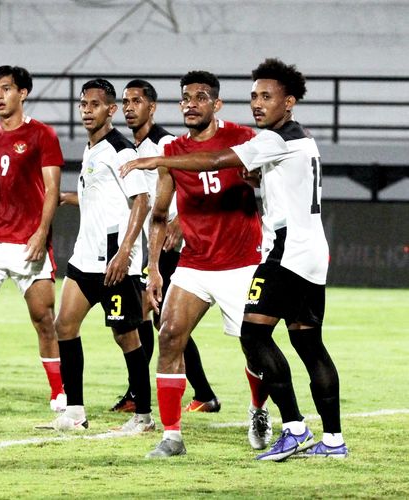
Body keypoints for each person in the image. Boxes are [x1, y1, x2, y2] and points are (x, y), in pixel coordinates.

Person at [124, 59, 347, 461]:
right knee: (303, 342)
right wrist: (155, 263)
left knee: (254, 336)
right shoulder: (298, 138)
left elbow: (214, 161)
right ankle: (332, 440)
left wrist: (152, 160)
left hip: (273, 254)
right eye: (255, 96)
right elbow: (261, 175)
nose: (258, 104)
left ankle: (289, 424)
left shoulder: (261, 139)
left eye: (267, 96)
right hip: (295, 252)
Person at [121, 71, 271, 458]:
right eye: (185, 97)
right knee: (170, 334)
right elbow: (158, 213)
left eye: (201, 97)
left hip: (241, 263)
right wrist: (153, 267)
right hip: (194, 264)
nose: (191, 103)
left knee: (255, 350)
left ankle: (258, 408)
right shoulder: (172, 152)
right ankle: (172, 436)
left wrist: (257, 181)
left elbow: (262, 181)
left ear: (216, 105)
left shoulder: (242, 138)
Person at [40, 78, 152, 433]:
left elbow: (141, 201)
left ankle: (144, 417)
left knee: (125, 336)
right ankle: (75, 412)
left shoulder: (121, 149)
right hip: (85, 258)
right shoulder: (93, 148)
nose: (87, 111)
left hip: (114, 261)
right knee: (64, 326)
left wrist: (124, 252)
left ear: (111, 109)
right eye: (83, 105)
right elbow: (101, 198)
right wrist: (69, 198)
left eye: (95, 105)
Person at [0, 65, 65, 412]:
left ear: (23, 93)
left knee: (44, 321)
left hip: (27, 243)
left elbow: (52, 190)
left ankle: (59, 391)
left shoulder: (43, 134)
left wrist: (41, 233)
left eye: (6, 89)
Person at [116, 79, 221, 414]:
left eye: (136, 101)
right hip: (156, 245)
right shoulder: (134, 147)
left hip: (176, 246)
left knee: (157, 320)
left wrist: (178, 222)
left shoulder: (165, 143)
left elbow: (192, 181)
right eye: (125, 102)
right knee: (159, 321)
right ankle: (200, 393)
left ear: (153, 107)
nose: (129, 108)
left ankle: (143, 393)